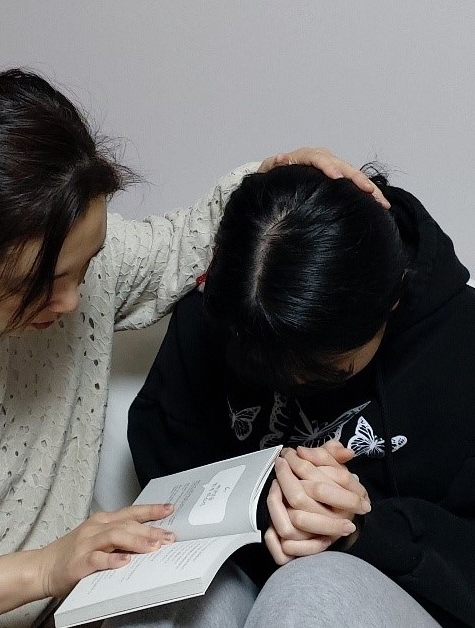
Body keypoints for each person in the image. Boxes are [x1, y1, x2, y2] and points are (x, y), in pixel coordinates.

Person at [0, 69, 382, 627]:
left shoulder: (63, 263)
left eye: (88, 264)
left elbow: (186, 241)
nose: (74, 300)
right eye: (42, 285)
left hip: (77, 602)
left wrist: (280, 177)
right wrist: (45, 570)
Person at [124, 165, 475, 627]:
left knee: (309, 588)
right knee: (164, 597)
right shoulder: (224, 308)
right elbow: (163, 474)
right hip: (237, 566)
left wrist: (361, 528)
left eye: (324, 372)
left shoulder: (461, 345)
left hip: (403, 591)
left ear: (392, 299)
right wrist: (263, 499)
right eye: (261, 368)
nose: (292, 383)